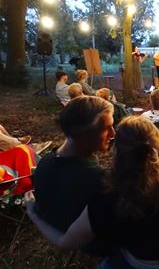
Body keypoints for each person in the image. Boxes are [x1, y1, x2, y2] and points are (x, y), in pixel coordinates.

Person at [25, 116, 159, 268]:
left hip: (136, 263)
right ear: (156, 147)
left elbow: (66, 242)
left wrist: (33, 213)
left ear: (117, 150)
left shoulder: (104, 197)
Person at [32, 96, 115, 254]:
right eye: (107, 128)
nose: (113, 133)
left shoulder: (45, 162)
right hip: (97, 245)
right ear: (85, 133)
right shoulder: (98, 179)